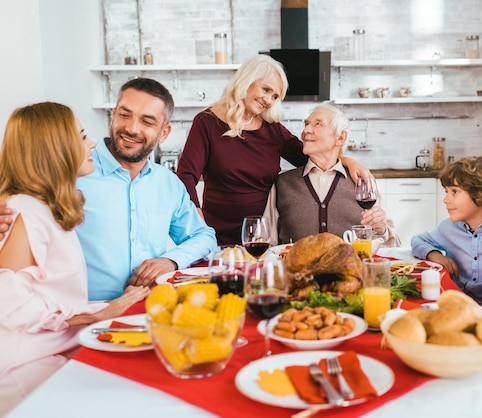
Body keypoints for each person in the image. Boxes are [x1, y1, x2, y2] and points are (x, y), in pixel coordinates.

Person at [0, 102, 150, 415]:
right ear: (54, 150)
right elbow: (11, 306)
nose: (93, 143)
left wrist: (108, 310)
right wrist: (96, 314)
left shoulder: (45, 207)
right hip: (27, 372)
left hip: (58, 352)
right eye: (81, 136)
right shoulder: (24, 209)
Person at [176, 54, 372, 245]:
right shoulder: (206, 122)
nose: (269, 100)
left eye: (275, 96)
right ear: (247, 80)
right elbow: (186, 175)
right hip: (217, 232)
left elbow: (311, 156)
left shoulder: (272, 129)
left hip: (263, 236)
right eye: (266, 89)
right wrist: (196, 215)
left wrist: (347, 160)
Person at [76, 78, 219, 301]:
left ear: (164, 132)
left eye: (147, 121)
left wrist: (170, 261)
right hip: (84, 313)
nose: (131, 128)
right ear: (113, 115)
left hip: (149, 310)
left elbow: (204, 236)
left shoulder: (168, 183)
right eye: (124, 115)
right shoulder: (75, 171)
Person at [264, 104, 399, 246]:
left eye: (318, 124)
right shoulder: (283, 183)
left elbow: (393, 245)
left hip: (352, 268)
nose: (306, 130)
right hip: (295, 268)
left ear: (340, 137)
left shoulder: (362, 182)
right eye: (307, 124)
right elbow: (267, 243)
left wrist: (382, 230)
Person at [410, 156, 482, 305]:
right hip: (456, 305)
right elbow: (417, 240)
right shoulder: (448, 228)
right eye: (446, 191)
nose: (446, 199)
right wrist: (434, 255)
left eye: (454, 191)